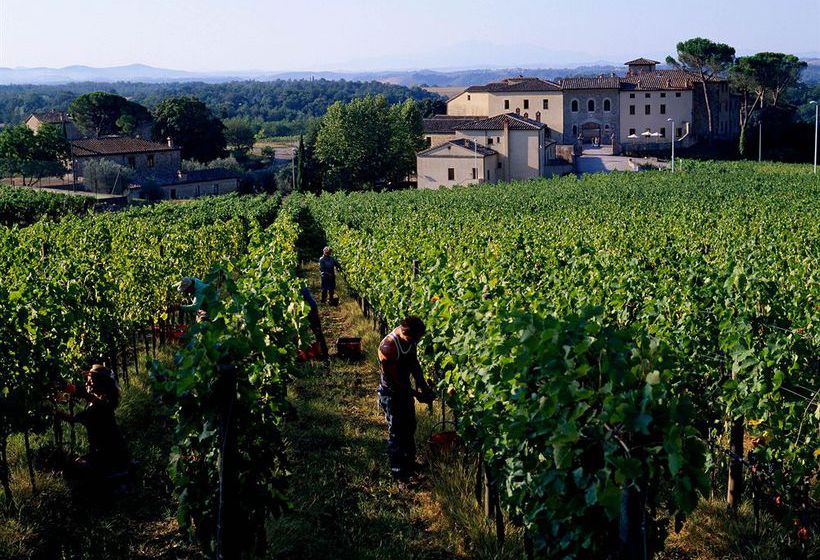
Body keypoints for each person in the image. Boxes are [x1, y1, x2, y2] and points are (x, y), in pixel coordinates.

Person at [377, 316, 436, 481]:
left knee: (410, 426)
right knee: (397, 431)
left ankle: (410, 463)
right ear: (404, 333)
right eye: (414, 339)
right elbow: (394, 382)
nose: (416, 342)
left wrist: (424, 388)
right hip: (391, 393)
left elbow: (414, 365)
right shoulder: (388, 348)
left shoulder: (410, 339)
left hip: (403, 389)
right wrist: (417, 395)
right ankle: (399, 473)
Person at [56, 365, 130, 486]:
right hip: (114, 452)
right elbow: (84, 394)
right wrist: (68, 388)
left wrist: (54, 412)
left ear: (100, 385)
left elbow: (73, 418)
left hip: (109, 456)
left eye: (91, 381)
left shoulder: (99, 407)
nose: (87, 383)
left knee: (72, 471)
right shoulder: (105, 401)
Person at [300, 286, 328, 360]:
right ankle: (322, 352)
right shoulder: (299, 284)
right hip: (309, 307)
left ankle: (323, 353)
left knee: (316, 331)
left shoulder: (296, 287)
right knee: (316, 331)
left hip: (309, 308)